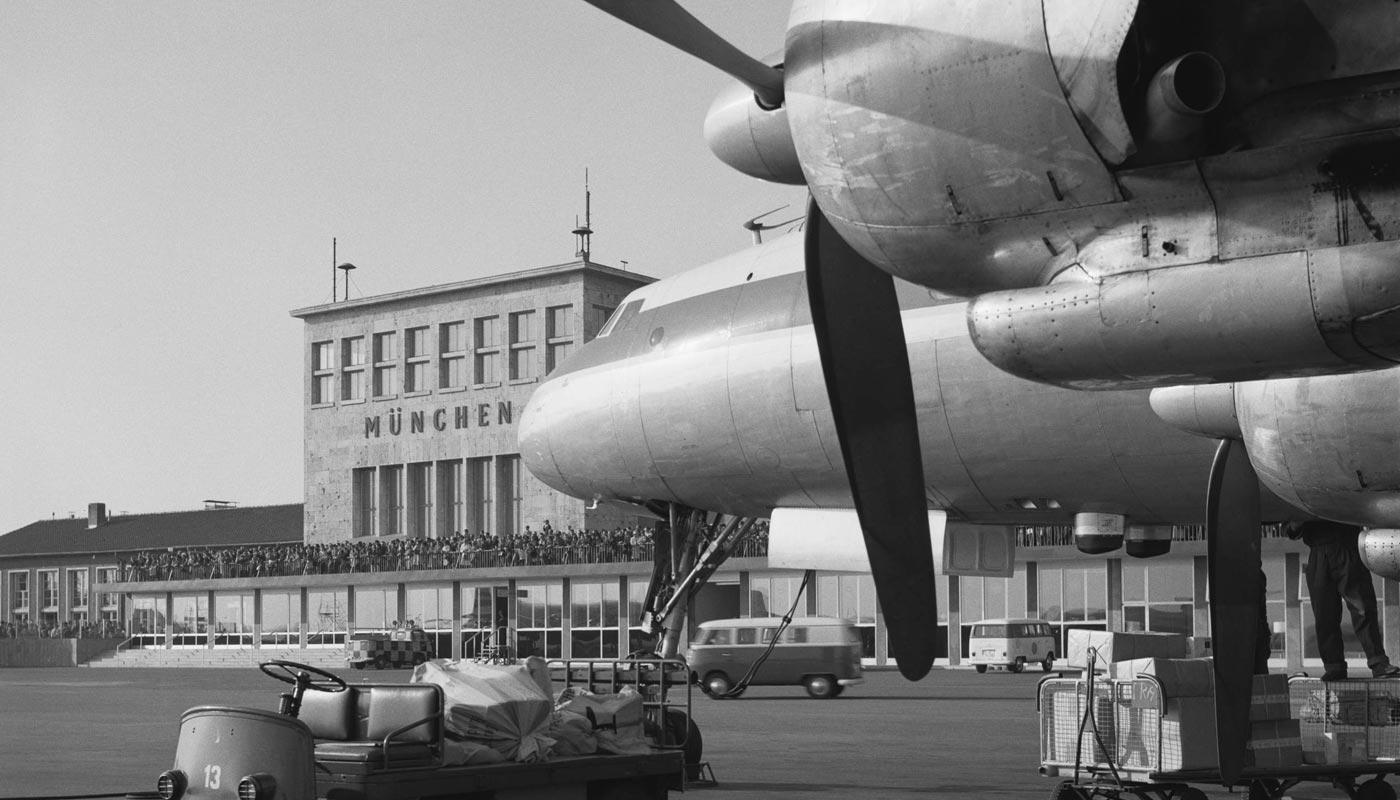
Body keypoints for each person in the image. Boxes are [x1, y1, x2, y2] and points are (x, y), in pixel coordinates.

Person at [1287, 519, 1400, 680]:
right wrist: (1295, 524)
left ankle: (1378, 663)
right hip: (1318, 552)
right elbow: (1291, 529)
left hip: (1347, 547)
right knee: (1324, 615)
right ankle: (1334, 667)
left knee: (1363, 608)